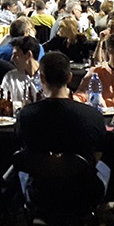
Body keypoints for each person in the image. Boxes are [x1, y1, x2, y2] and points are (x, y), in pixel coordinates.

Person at [15, 51, 107, 197]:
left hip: (40, 193)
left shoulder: (26, 115)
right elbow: (97, 155)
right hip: (83, 194)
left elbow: (23, 148)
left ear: (42, 78)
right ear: (70, 77)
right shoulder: (92, 115)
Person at [0, 36, 42, 102]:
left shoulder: (49, 77)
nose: (12, 59)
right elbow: (3, 102)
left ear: (28, 54)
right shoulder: (10, 78)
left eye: (15, 55)